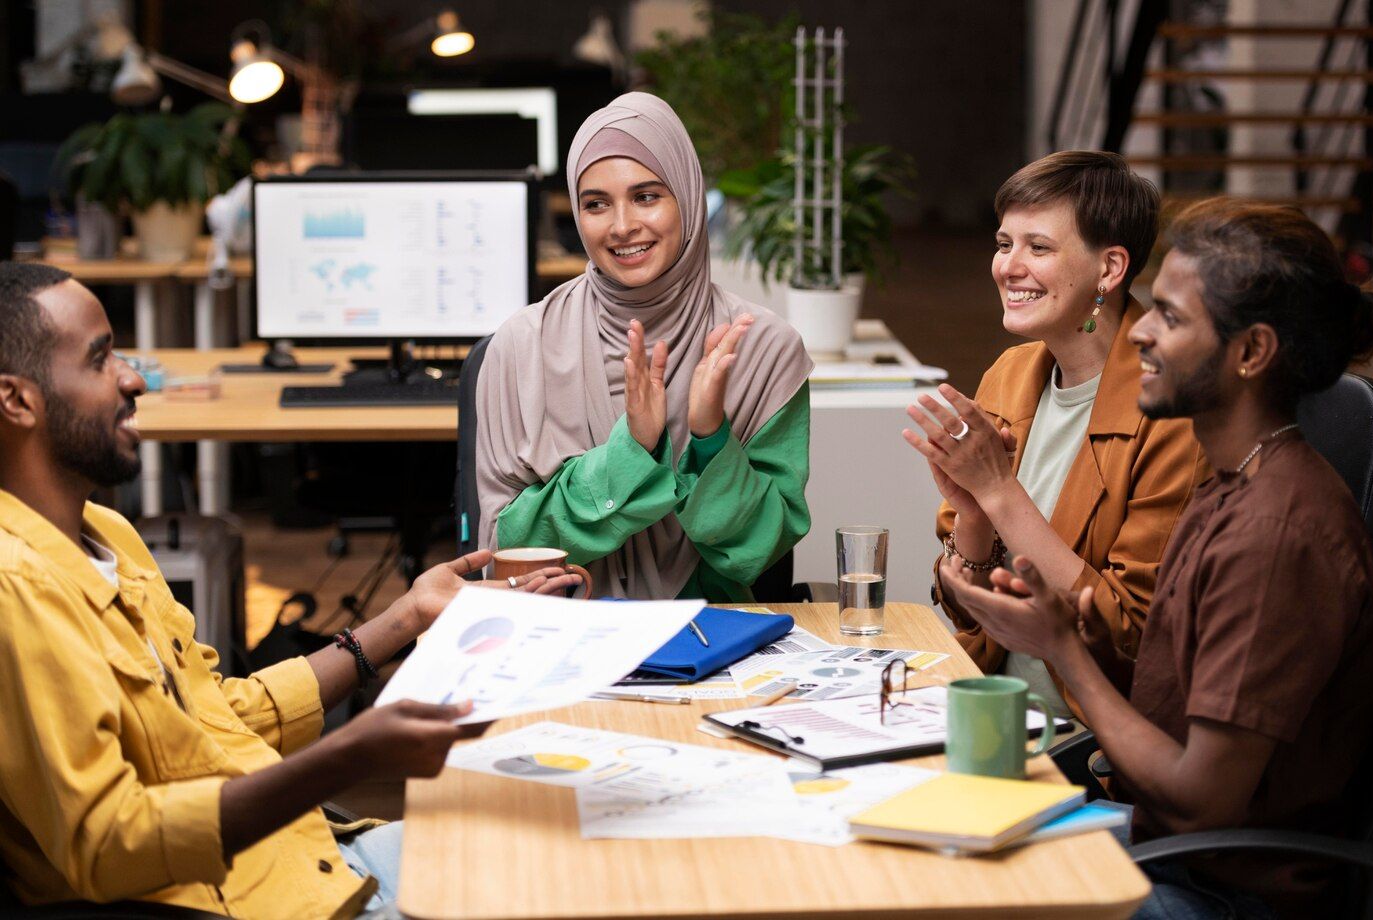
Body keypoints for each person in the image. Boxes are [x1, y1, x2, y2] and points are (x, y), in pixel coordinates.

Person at [0, 263, 579, 916]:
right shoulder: (16, 591)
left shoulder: (103, 531)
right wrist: (347, 756)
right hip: (249, 904)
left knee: (566, 848)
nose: (133, 378)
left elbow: (213, 718)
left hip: (307, 860)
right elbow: (111, 844)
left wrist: (405, 616)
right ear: (17, 401)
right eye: (101, 360)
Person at [938, 199, 1373, 919]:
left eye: (1170, 317)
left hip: (1217, 890)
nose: (1137, 328)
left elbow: (1204, 798)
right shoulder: (1230, 480)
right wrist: (1051, 617)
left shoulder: (1277, 535)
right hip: (1155, 841)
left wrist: (1060, 648)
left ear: (1250, 353)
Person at [475, 92, 814, 602]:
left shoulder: (763, 349)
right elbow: (506, 551)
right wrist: (630, 451)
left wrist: (710, 436)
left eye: (647, 196)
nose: (621, 225)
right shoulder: (522, 346)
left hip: (714, 649)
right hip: (560, 642)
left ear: (688, 196)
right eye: (596, 204)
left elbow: (760, 550)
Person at [905, 151, 1206, 719]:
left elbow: (1127, 636)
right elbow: (967, 614)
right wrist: (972, 516)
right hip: (990, 708)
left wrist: (998, 494)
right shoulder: (1010, 374)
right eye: (1003, 244)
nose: (1007, 267)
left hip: (1094, 742)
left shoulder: (1174, 410)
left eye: (1037, 247)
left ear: (1110, 269)